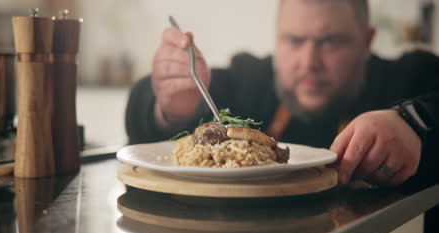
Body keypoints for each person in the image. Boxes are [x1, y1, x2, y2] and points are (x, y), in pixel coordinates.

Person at [126, 0, 438, 187]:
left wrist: (415, 120)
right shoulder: (249, 79)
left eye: (331, 42)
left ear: (367, 41)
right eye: (294, 41)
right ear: (276, 39)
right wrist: (172, 107)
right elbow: (140, 110)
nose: (309, 62)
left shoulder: (409, 77)